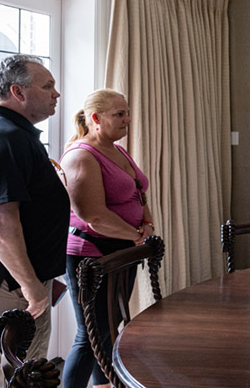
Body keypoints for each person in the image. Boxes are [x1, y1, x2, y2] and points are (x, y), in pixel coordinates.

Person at [0, 54, 69, 387]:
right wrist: (30, 287)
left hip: (13, 283)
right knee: (3, 379)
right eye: (48, 86)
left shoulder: (7, 132)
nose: (56, 93)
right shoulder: (3, 137)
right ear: (18, 92)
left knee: (24, 376)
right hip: (6, 286)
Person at [60, 89, 154, 388]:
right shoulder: (81, 155)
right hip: (91, 253)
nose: (127, 119)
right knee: (90, 335)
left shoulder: (117, 149)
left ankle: (103, 385)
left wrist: (147, 223)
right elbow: (94, 215)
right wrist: (136, 235)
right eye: (119, 114)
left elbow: (138, 191)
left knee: (109, 330)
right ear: (96, 118)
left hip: (123, 248)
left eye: (127, 113)